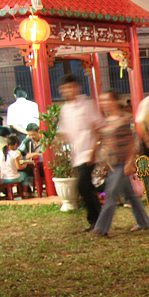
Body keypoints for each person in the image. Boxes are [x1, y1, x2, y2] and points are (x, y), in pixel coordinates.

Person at [89, 90, 149, 237]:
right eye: (102, 101)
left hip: (121, 164)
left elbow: (131, 143)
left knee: (110, 196)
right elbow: (101, 141)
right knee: (130, 195)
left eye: (107, 100)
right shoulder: (106, 121)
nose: (105, 104)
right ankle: (144, 222)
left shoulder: (123, 120)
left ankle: (101, 228)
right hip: (110, 164)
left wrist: (130, 162)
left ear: (115, 101)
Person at [57, 74, 103, 231]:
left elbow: (97, 128)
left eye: (71, 86)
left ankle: (95, 219)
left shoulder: (87, 105)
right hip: (77, 153)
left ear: (77, 87)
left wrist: (93, 151)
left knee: (83, 186)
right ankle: (98, 220)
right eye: (65, 88)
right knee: (87, 188)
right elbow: (64, 133)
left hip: (88, 152)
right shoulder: (65, 109)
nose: (69, 90)